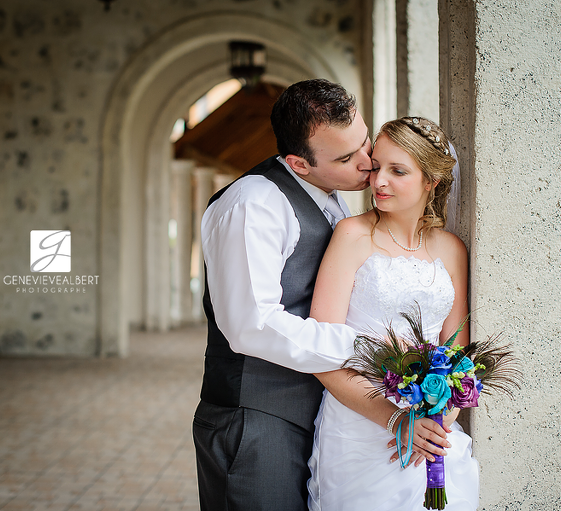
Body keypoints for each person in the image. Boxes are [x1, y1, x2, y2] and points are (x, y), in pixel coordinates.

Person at [192, 79, 379, 510]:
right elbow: (251, 325)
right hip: (254, 420)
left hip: (312, 413)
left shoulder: (332, 196)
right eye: (347, 157)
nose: (367, 163)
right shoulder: (252, 204)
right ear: (298, 164)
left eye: (364, 143)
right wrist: (364, 349)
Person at [307, 117, 479, 510]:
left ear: (431, 181)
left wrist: (437, 423)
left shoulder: (452, 249)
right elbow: (319, 352)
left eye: (397, 171)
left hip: (431, 431)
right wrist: (396, 421)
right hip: (360, 425)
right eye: (376, 167)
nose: (378, 181)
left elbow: (459, 358)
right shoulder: (351, 235)